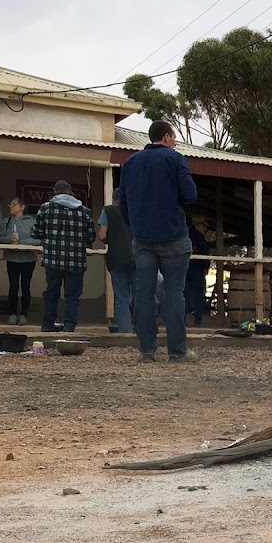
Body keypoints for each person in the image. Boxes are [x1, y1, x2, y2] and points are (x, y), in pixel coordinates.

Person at [119, 120, 198, 363]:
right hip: (173, 235)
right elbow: (191, 195)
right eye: (174, 137)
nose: (175, 142)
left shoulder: (130, 162)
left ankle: (147, 351)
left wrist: (136, 225)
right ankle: (177, 351)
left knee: (143, 292)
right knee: (174, 292)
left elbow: (123, 203)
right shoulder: (174, 159)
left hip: (142, 238)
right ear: (166, 137)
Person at [32, 180, 96, 333]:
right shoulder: (84, 211)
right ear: (70, 192)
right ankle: (69, 325)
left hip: (52, 259)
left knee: (51, 293)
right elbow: (91, 237)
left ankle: (47, 324)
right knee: (72, 295)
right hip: (76, 261)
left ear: (55, 192)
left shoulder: (45, 208)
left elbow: (36, 233)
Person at [97, 188, 135, 333]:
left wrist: (112, 240)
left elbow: (101, 236)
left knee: (121, 297)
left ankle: (125, 332)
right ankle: (143, 329)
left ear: (114, 199)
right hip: (138, 257)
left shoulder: (108, 211)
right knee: (141, 295)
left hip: (116, 258)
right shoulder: (137, 210)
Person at [0, 197, 40, 324]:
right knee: (13, 286)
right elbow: (0, 238)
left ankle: (23, 314)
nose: (10, 206)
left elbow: (38, 239)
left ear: (22, 207)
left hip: (28, 259)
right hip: (12, 259)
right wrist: (9, 239)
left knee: (25, 287)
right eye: (10, 204)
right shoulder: (6, 221)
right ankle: (12, 313)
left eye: (14, 204)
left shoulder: (32, 222)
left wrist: (21, 242)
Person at [186, 216, 211, 327]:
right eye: (203, 226)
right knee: (198, 295)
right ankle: (197, 320)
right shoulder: (200, 240)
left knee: (184, 293)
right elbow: (204, 254)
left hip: (185, 268)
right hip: (197, 269)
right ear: (197, 226)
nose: (205, 229)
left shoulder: (185, 237)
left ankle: (181, 319)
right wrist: (206, 267)